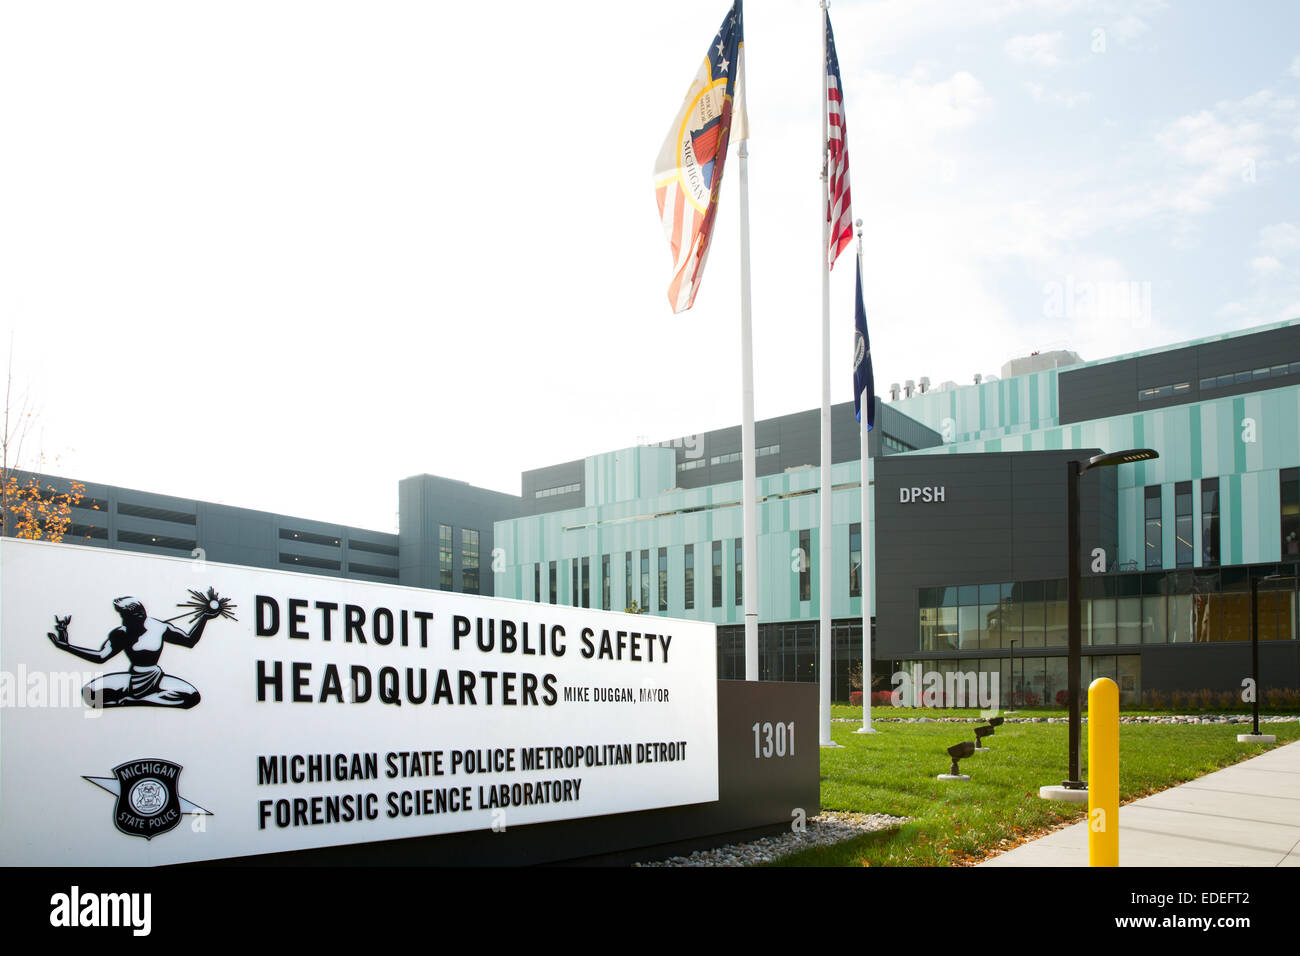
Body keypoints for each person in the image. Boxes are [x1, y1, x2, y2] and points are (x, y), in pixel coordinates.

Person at [47, 593, 225, 709]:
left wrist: (204, 618)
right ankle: (143, 698)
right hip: (132, 678)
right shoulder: (121, 633)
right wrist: (66, 646)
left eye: (123, 615)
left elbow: (189, 641)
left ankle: (133, 700)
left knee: (192, 697)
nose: (122, 619)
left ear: (138, 614)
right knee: (89, 693)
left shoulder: (159, 627)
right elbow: (101, 657)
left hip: (155, 678)